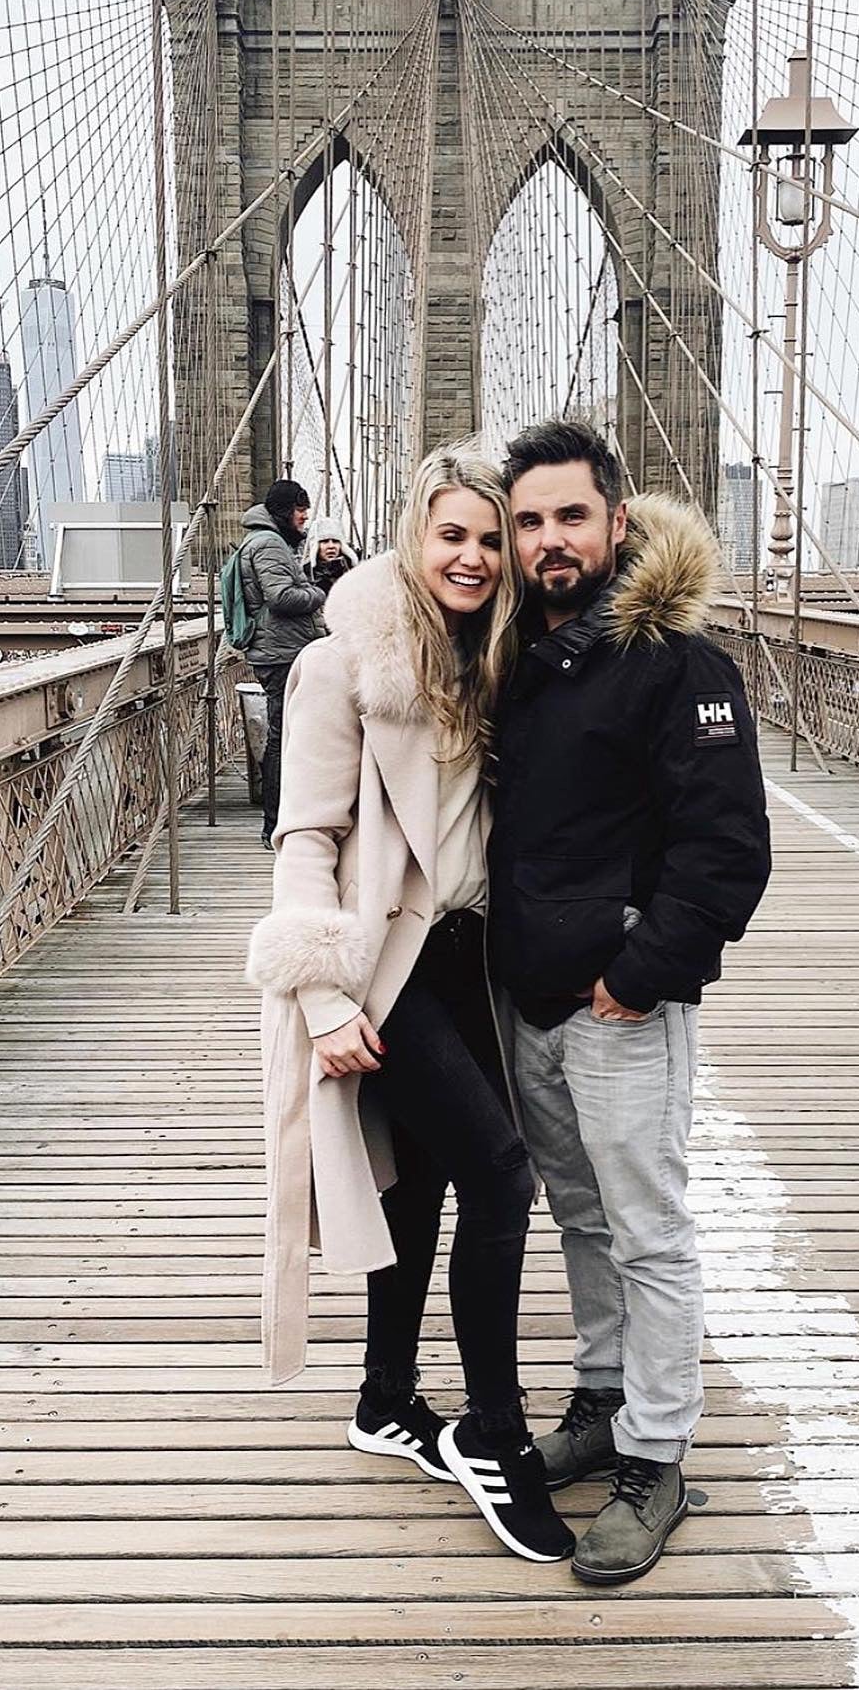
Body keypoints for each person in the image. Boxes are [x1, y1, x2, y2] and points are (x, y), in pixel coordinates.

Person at [245, 446, 574, 1566]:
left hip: (472, 959)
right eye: (452, 536)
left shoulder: (498, 657)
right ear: (411, 537)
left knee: (422, 1179)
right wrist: (323, 997)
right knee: (502, 1175)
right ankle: (493, 1431)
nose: (473, 557)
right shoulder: (340, 665)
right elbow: (304, 840)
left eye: (489, 539)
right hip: (386, 966)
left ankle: (386, 1399)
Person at [488, 418, 771, 1585]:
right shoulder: (517, 657)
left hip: (620, 1008)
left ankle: (656, 1455)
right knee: (582, 1218)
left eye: (571, 516)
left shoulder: (678, 664)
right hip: (530, 1001)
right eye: (529, 522)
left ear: (616, 519)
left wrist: (637, 975)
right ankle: (604, 1401)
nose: (549, 541)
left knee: (648, 1229)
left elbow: (728, 851)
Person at [237, 479, 328, 848]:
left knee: (288, 735)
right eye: (299, 508)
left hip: (280, 650)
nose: (304, 515)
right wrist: (318, 593)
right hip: (282, 654)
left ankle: (285, 821)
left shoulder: (264, 540)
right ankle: (275, 825)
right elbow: (281, 597)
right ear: (283, 511)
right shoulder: (269, 544)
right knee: (283, 739)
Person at [306, 518, 357, 597]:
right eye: (325, 541)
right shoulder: (305, 576)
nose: (331, 546)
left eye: (335, 541)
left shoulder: (353, 575)